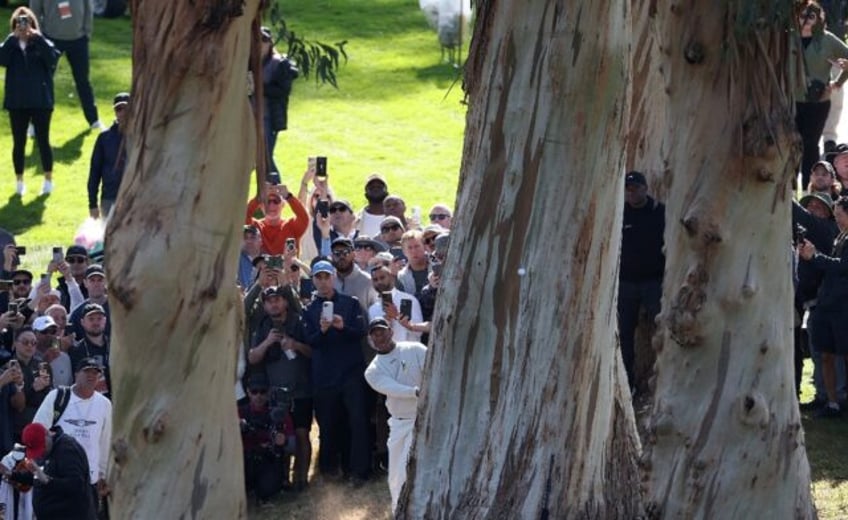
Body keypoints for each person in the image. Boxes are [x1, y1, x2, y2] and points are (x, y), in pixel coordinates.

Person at [302, 261, 371, 484]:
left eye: (326, 276)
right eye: (318, 277)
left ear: (333, 277)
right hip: (324, 375)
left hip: (351, 371)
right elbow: (309, 342)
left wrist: (343, 327)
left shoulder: (350, 304)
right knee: (328, 423)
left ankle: (358, 471)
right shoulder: (309, 310)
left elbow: (361, 332)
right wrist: (322, 331)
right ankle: (330, 469)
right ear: (313, 280)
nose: (322, 282)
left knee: (357, 421)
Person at [247, 286, 312, 491]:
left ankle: (301, 478)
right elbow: (252, 357)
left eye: (277, 300)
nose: (274, 304)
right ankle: (282, 478)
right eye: (269, 301)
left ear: (285, 302)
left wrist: (295, 345)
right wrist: (267, 342)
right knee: (278, 436)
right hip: (274, 393)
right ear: (264, 305)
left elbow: (313, 352)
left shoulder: (299, 321)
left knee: (302, 434)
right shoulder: (262, 326)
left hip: (301, 389)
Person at [33, 357, 111, 515]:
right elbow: (37, 431)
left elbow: (105, 440)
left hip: (88, 482)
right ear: (76, 374)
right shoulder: (58, 397)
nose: (91, 376)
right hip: (57, 481)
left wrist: (103, 473)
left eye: (96, 372)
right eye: (87, 371)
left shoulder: (105, 404)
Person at [363, 317, 426, 513]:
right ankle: (399, 511)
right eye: (374, 335)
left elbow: (433, 368)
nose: (379, 337)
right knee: (398, 475)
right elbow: (392, 388)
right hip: (401, 423)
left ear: (391, 331)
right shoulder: (372, 370)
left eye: (382, 332)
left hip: (426, 417)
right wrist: (416, 392)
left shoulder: (415, 349)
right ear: (370, 339)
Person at [0, 7, 60, 196]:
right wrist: (13, 39)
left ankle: (48, 180)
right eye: (19, 22)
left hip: (41, 100)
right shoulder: (10, 45)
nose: (23, 26)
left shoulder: (42, 43)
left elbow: (52, 59)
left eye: (25, 22)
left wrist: (37, 38)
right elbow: (2, 59)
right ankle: (19, 182)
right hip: (17, 102)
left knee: (43, 140)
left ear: (32, 24)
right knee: (19, 142)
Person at [798, 196, 848, 417]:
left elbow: (841, 267)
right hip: (827, 304)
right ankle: (832, 403)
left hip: (843, 306)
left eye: (840, 215)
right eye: (836, 215)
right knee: (825, 354)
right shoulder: (839, 237)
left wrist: (815, 256)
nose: (837, 219)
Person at [618, 171, 665, 393]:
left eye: (635, 188)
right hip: (626, 285)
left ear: (646, 188)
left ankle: (666, 378)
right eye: (628, 189)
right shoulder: (620, 213)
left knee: (664, 329)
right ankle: (628, 384)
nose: (632, 192)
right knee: (625, 335)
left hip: (654, 283)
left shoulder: (659, 212)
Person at [795, 1, 848, 189]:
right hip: (791, 101)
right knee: (792, 143)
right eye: (803, 16)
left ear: (818, 19)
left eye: (811, 17)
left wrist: (836, 83)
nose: (807, 21)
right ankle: (789, 188)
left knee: (810, 145)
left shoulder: (826, 39)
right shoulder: (787, 38)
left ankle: (809, 187)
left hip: (817, 102)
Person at [30, 0, 102, 130]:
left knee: (83, 81)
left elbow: (88, 8)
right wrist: (40, 39)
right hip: (51, 39)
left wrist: (87, 33)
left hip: (78, 40)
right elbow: (34, 12)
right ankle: (35, 124)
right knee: (43, 81)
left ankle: (94, 120)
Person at [1, 422, 96, 519]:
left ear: (47, 434)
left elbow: (76, 485)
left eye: (42, 449)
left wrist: (47, 481)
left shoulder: (68, 450)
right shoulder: (45, 452)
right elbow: (37, 479)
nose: (40, 454)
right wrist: (12, 475)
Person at [238, 374, 292, 503]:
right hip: (244, 461)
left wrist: (284, 442)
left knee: (266, 491)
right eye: (254, 392)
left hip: (269, 461)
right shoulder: (239, 412)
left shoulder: (279, 414)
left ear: (268, 392)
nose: (258, 396)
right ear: (248, 392)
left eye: (262, 391)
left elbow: (293, 445)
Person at [259, 27, 299, 175]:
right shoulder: (246, 62)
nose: (260, 43)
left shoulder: (279, 64)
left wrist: (259, 87)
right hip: (247, 116)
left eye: (264, 40)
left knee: (264, 158)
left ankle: (276, 193)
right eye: (257, 40)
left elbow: (283, 91)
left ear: (270, 43)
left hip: (268, 118)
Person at [88, 92, 129, 219]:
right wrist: (92, 204)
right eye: (118, 109)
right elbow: (95, 171)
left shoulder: (142, 137)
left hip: (135, 198)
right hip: (109, 197)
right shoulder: (104, 138)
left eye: (127, 108)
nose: (122, 112)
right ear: (115, 112)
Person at [245, 184, 310, 255]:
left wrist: (289, 196)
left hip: (287, 266)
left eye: (276, 201)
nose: (271, 205)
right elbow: (243, 217)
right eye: (267, 201)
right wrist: (258, 197)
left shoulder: (291, 226)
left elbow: (303, 217)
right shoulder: (255, 227)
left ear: (283, 204)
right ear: (260, 206)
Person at [368, 263, 423, 342]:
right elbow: (373, 341)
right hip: (387, 353)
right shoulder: (373, 309)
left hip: (410, 351)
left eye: (382, 278)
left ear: (391, 277)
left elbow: (419, 332)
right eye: (375, 279)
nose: (379, 282)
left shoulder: (409, 299)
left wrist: (397, 316)